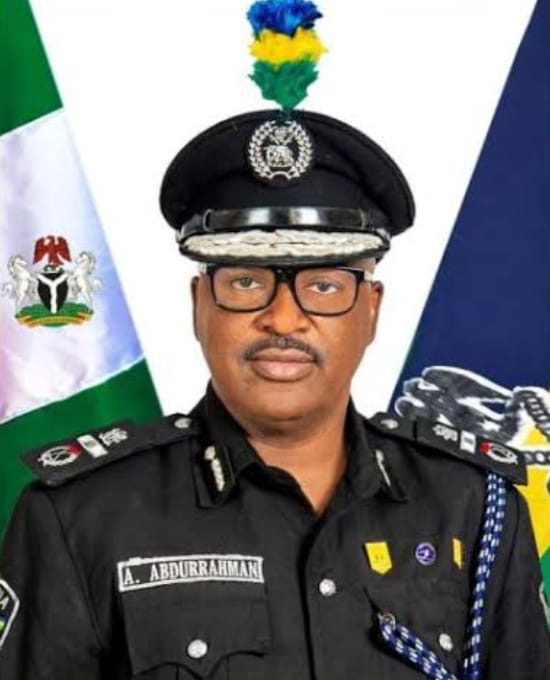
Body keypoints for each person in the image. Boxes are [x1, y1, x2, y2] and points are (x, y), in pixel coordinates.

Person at [1, 2, 549, 679]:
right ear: (199, 306)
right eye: (246, 281)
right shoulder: (78, 515)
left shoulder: (473, 507)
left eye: (323, 285)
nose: (284, 320)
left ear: (371, 310)